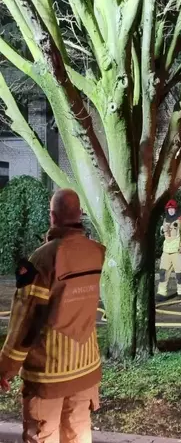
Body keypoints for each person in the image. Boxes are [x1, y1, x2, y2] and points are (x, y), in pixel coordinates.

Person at [0, 189, 106, 442]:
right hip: (86, 368)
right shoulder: (96, 252)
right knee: (78, 434)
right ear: (79, 214)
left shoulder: (41, 260)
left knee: (43, 435)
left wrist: (5, 368)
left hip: (49, 375)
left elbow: (25, 322)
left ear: (52, 216)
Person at [156, 199, 181, 302]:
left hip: (177, 251)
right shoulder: (165, 219)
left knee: (179, 273)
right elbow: (162, 231)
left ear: (176, 209)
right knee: (163, 272)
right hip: (166, 251)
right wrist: (163, 229)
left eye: (172, 209)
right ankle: (162, 293)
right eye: (169, 209)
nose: (171, 211)